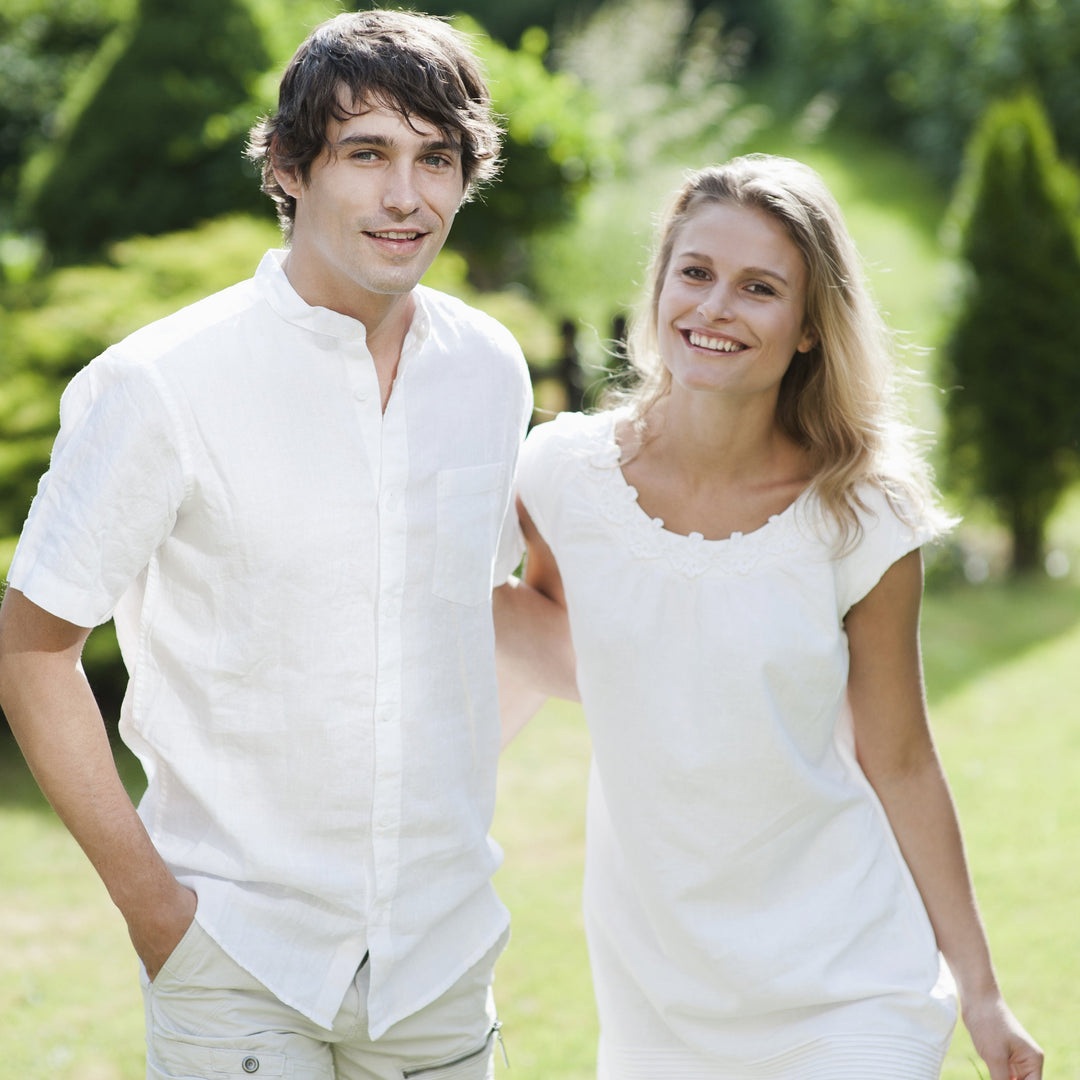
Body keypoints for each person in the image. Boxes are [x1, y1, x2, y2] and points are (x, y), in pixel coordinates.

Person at [0, 11, 532, 1079]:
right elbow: (31, 647)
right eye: (366, 154)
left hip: (441, 958)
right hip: (237, 958)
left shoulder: (489, 369)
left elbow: (472, 622)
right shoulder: (163, 384)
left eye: (437, 158)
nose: (406, 197)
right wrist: (161, 917)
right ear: (289, 167)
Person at [500, 155, 1043, 1079]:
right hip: (659, 1007)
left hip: (846, 985)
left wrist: (981, 991)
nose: (715, 309)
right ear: (661, 283)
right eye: (696, 273)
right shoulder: (561, 474)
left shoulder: (861, 514)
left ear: (807, 329)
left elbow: (901, 759)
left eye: (760, 288)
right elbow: (566, 643)